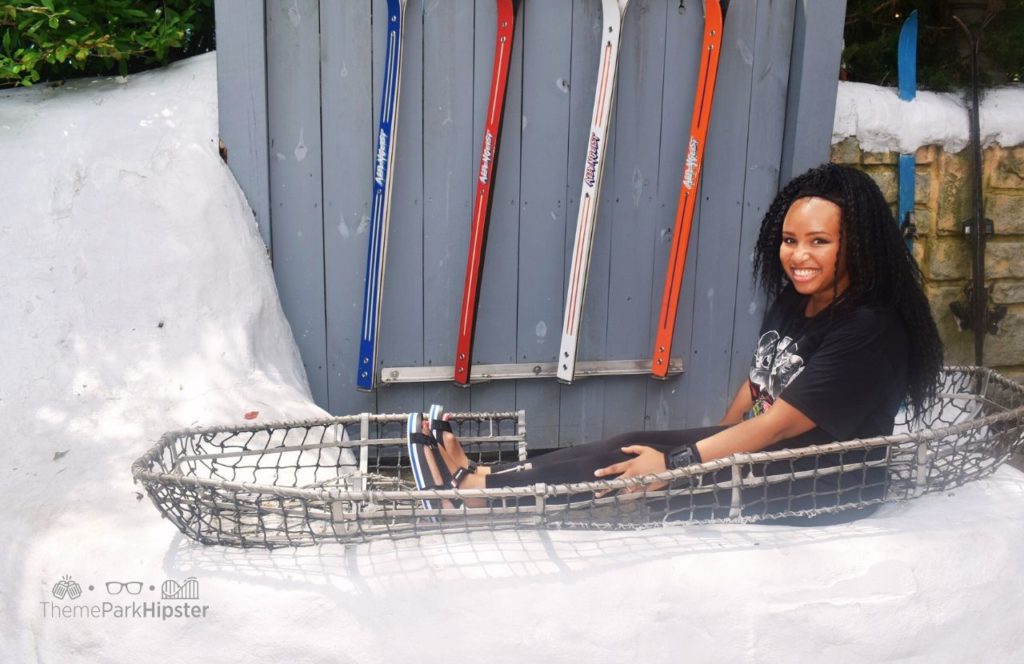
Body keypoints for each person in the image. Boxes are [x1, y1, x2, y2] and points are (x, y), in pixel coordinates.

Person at [409, 163, 944, 521]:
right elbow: (757, 387)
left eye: (819, 242)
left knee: (644, 461)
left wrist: (682, 463)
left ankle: (473, 494)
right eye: (789, 240)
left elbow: (783, 421)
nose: (797, 255)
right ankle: (479, 480)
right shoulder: (796, 299)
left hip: (827, 486)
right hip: (778, 457)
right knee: (636, 441)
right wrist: (709, 444)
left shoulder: (869, 328)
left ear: (860, 244)